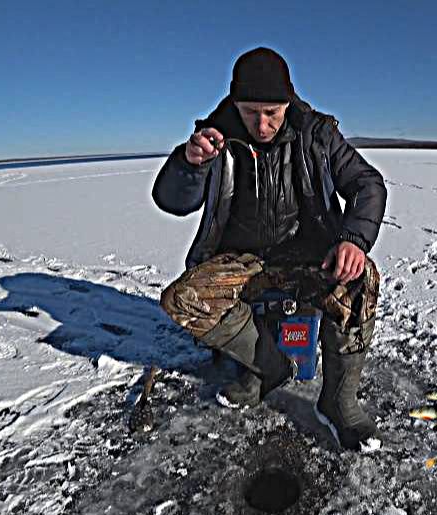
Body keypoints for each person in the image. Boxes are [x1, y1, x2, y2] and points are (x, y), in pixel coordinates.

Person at [152, 47, 387, 451]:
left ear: (288, 102)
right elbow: (172, 201)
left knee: (360, 279)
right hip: (242, 262)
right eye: (250, 112)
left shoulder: (317, 134)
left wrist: (353, 239)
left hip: (310, 255)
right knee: (183, 298)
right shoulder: (215, 138)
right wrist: (189, 164)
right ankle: (269, 366)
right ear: (235, 104)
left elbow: (368, 184)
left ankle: (338, 401)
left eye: (272, 113)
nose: (262, 125)